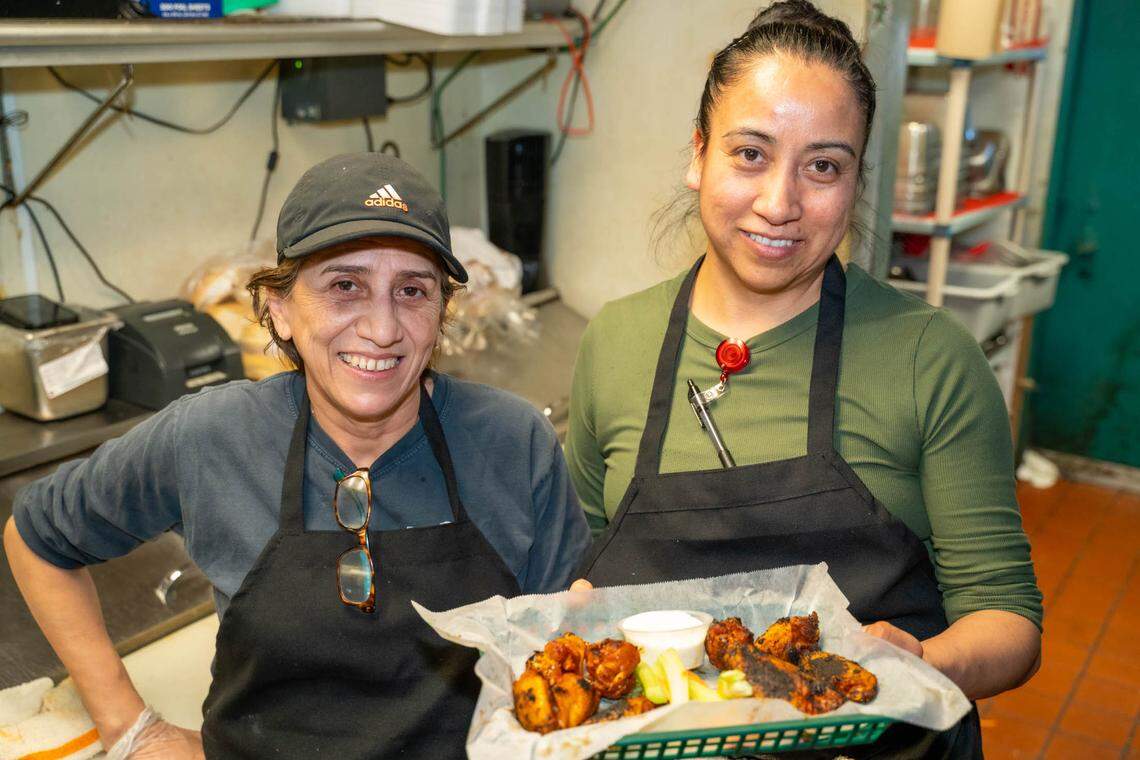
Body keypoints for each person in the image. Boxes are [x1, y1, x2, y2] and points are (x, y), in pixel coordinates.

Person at [565, 2, 1041, 756]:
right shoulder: (616, 342)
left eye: (823, 165)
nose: (780, 204)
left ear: (856, 181)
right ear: (698, 156)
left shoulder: (928, 357)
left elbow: (1009, 622)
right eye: (750, 153)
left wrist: (923, 663)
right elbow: (584, 563)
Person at [4, 153, 590, 759]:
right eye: (345, 286)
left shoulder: (511, 441)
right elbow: (36, 536)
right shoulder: (213, 436)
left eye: (412, 291)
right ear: (280, 307)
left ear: (442, 311)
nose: (382, 328)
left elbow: (563, 657)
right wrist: (132, 731)